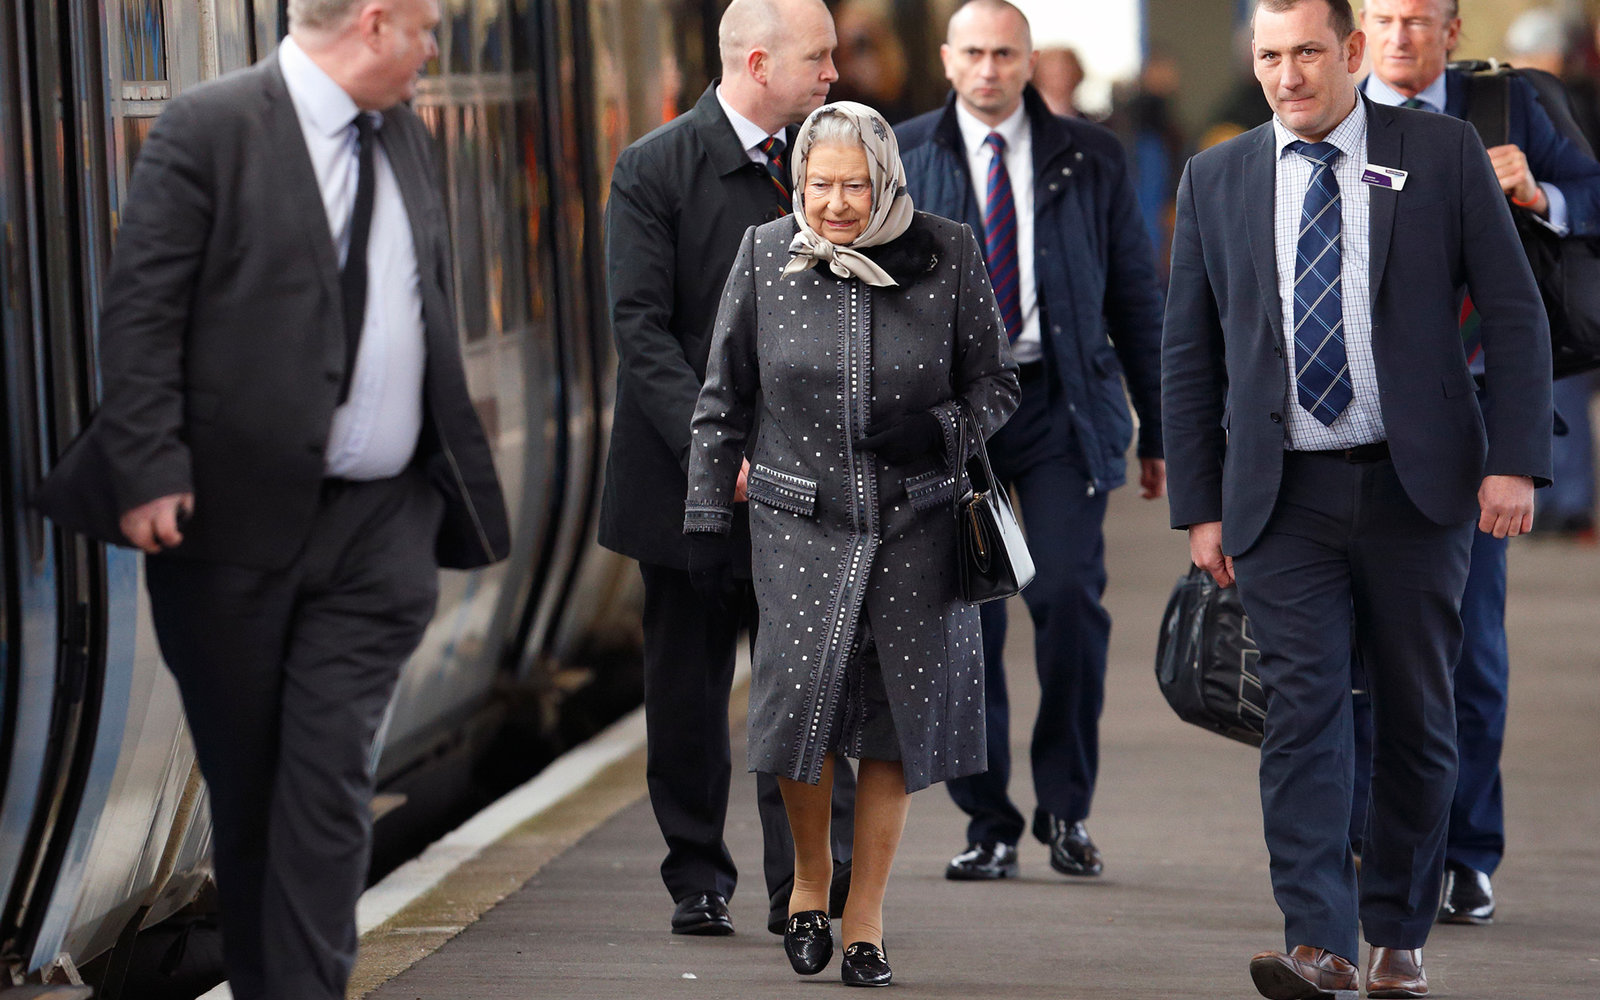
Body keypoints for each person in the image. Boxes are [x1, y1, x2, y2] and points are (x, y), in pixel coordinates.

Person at [31, 1, 511, 997]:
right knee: (252, 798)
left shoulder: (405, 138)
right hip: (231, 528)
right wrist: (152, 466)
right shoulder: (210, 127)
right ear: (373, 25)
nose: (434, 50)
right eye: (424, 29)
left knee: (327, 786)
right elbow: (142, 306)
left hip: (379, 524)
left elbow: (423, 298)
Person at [1162, 0, 1551, 996]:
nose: (1287, 75)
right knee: (1302, 710)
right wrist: (1199, 504)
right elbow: (1189, 355)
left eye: (1304, 53)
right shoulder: (1218, 176)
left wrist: (1513, 460)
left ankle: (1397, 927)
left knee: (1419, 711)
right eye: (1267, 57)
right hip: (1280, 492)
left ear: (1349, 50)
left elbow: (1511, 313)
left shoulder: (1442, 151)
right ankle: (1318, 938)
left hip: (1417, 488)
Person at [685, 101, 1020, 986]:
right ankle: (807, 885)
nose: (834, 204)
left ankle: (864, 918)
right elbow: (723, 401)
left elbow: (998, 386)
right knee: (801, 715)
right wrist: (707, 521)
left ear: (887, 181)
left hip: (916, 524)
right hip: (800, 525)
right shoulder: (765, 254)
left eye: (854, 185)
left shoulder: (945, 252)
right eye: (818, 185)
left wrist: (940, 429)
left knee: (892, 728)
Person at [600, 0, 855, 938]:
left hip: (808, 484)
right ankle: (697, 879)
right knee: (688, 689)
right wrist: (721, 454)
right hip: (683, 487)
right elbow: (641, 330)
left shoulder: (830, 163)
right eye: (818, 57)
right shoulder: (654, 168)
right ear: (759, 61)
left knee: (806, 689)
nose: (834, 72)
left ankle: (806, 887)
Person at [897, 0, 1166, 883]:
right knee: (968, 623)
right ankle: (989, 823)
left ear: (1029, 60)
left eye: (1003, 54)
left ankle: (1067, 808)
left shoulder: (1090, 157)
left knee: (1070, 606)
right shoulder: (901, 154)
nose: (987, 69)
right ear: (947, 58)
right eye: (972, 53)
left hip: (1059, 404)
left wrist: (1164, 430)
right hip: (952, 417)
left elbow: (1136, 295)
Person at [1357, 0, 1600, 925]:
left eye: (1421, 20)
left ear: (1452, 32)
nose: (1403, 36)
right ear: (1360, 32)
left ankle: (1466, 851)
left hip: (1476, 413)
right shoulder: (1333, 116)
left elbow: (1594, 193)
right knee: (1354, 656)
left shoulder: (1508, 108)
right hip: (1356, 414)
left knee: (1468, 652)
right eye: (1386, 17)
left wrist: (1543, 192)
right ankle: (1371, 841)